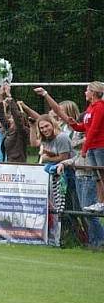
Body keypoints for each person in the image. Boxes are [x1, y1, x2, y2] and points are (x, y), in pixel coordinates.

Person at [35, 83, 104, 212]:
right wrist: (75, 125)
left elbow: (94, 130)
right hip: (87, 155)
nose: (85, 93)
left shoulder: (100, 107)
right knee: (98, 177)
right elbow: (85, 127)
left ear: (93, 92)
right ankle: (101, 202)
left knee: (101, 174)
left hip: (98, 147)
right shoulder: (91, 107)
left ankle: (101, 201)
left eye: (87, 90)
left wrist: (84, 148)